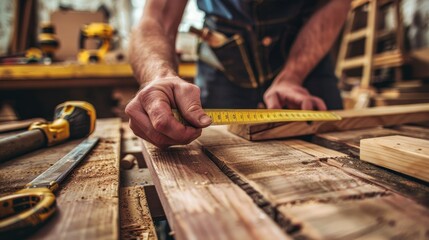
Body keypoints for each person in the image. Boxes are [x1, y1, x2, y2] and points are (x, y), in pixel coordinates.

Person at [125, 0, 351, 148]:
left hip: (305, 46)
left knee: (338, 144)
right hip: (225, 60)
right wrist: (158, 75)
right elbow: (156, 19)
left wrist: (292, 76)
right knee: (209, 155)